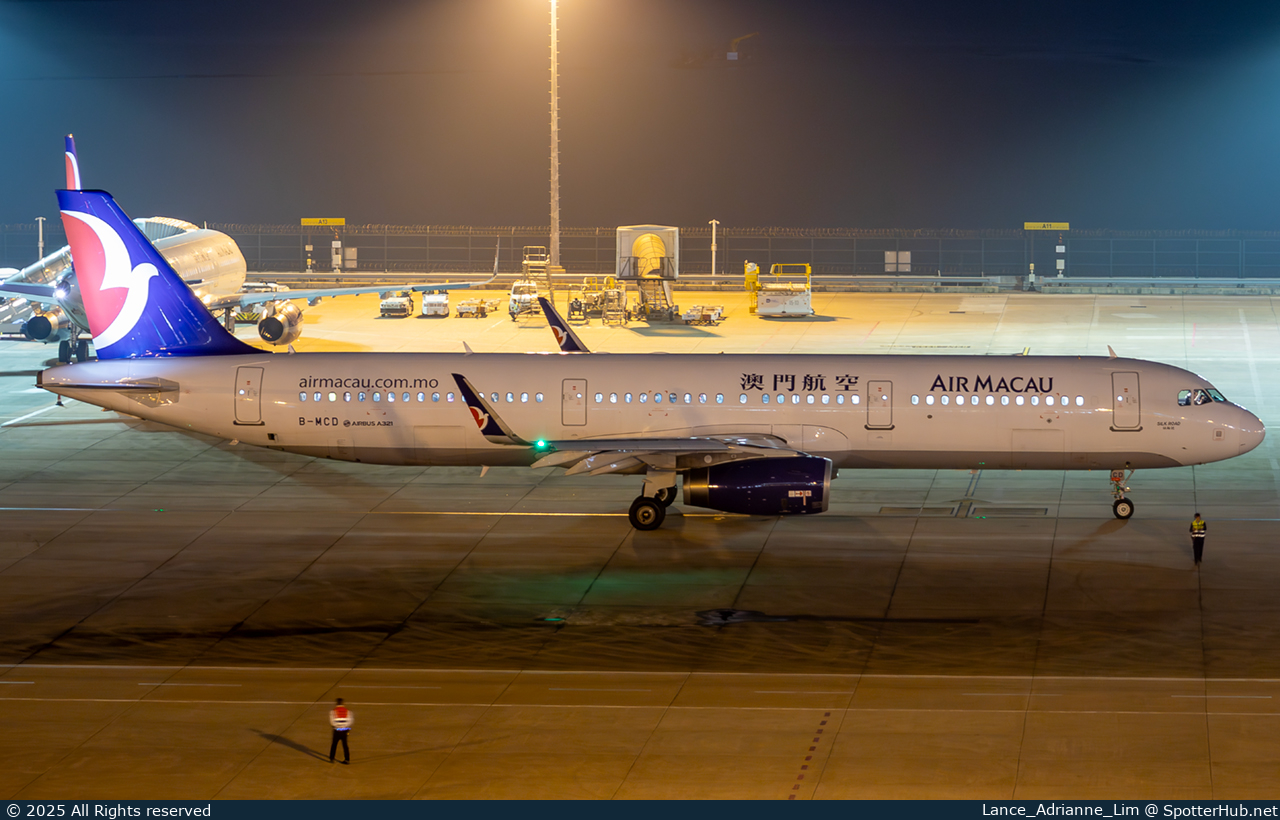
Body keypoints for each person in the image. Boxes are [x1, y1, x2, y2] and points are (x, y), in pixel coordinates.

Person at [329, 698, 352, 764]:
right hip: (344, 730)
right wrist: (345, 726)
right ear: (343, 703)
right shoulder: (347, 711)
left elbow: (332, 721)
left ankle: (332, 758)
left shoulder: (333, 711)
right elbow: (350, 721)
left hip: (337, 730)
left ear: (336, 703)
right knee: (345, 745)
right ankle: (347, 759)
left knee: (334, 744)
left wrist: (337, 726)